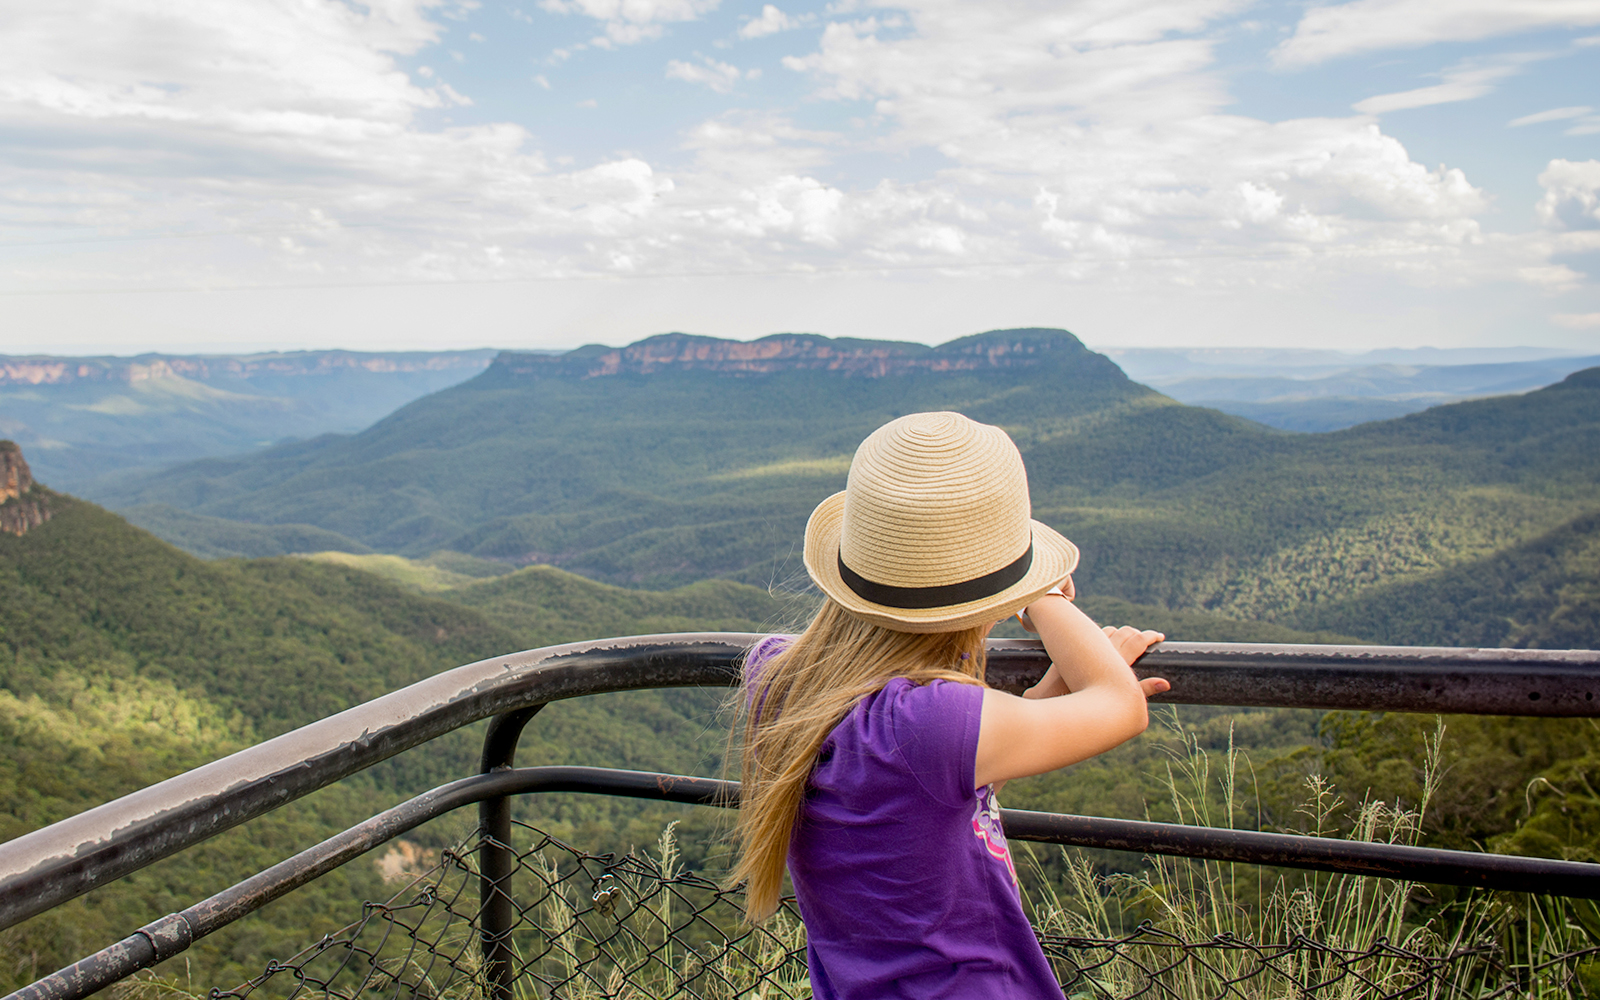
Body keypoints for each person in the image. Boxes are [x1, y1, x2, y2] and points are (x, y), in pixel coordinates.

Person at [729, 410, 1170, 999]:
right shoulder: (928, 722)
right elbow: (1122, 707)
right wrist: (1045, 600)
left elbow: (924, 800)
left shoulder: (779, 676)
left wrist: (1046, 696)